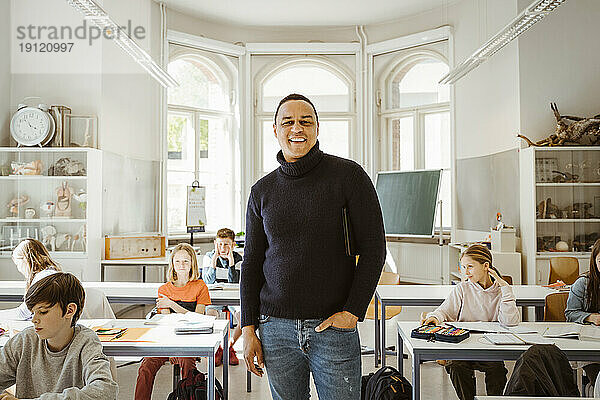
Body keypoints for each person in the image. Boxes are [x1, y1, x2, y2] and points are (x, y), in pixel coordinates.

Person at [240, 93, 386, 400]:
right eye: (288, 122)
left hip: (333, 328)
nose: (297, 128)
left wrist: (352, 312)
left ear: (317, 128)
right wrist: (249, 327)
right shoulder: (262, 191)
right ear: (275, 130)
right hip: (275, 328)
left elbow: (374, 249)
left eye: (306, 121)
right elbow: (252, 262)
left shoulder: (348, 176)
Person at [421, 244, 520, 400]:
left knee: (497, 370)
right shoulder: (463, 289)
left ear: (486, 266)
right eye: (463, 267)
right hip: (464, 345)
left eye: (470, 267)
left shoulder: (501, 291)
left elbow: (510, 322)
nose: (465, 272)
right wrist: (433, 318)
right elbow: (444, 311)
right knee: (456, 366)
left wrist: (506, 289)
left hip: (489, 348)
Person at [0, 272, 118, 399]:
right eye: (33, 313)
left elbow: (106, 391)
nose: (34, 319)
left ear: (69, 310)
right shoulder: (24, 340)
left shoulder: (86, 342)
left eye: (43, 312)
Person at [134, 243, 211, 400]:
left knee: (188, 367)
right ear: (172, 264)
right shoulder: (164, 289)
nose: (181, 265)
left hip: (189, 341)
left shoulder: (200, 286)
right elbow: (167, 322)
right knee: (145, 367)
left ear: (192, 264)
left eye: (186, 261)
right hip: (166, 340)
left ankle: (186, 396)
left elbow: (198, 318)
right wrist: (182, 313)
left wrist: (171, 304)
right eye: (177, 261)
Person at [202, 228, 242, 366]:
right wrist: (214, 261)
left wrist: (231, 263)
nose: (222, 248)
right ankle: (217, 348)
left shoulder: (238, 259)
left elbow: (235, 282)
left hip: (232, 297)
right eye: (219, 244)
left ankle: (230, 346)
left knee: (244, 318)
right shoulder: (208, 257)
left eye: (226, 244)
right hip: (215, 297)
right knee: (210, 316)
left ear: (233, 245)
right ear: (215, 243)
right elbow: (208, 281)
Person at [565, 238, 600, 391]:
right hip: (590, 344)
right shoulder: (583, 283)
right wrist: (590, 317)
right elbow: (570, 313)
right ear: (594, 261)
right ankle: (591, 388)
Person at [0, 238, 61, 320]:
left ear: (25, 259)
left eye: (18, 264)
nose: (19, 269)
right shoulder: (51, 273)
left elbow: (23, 313)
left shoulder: (43, 278)